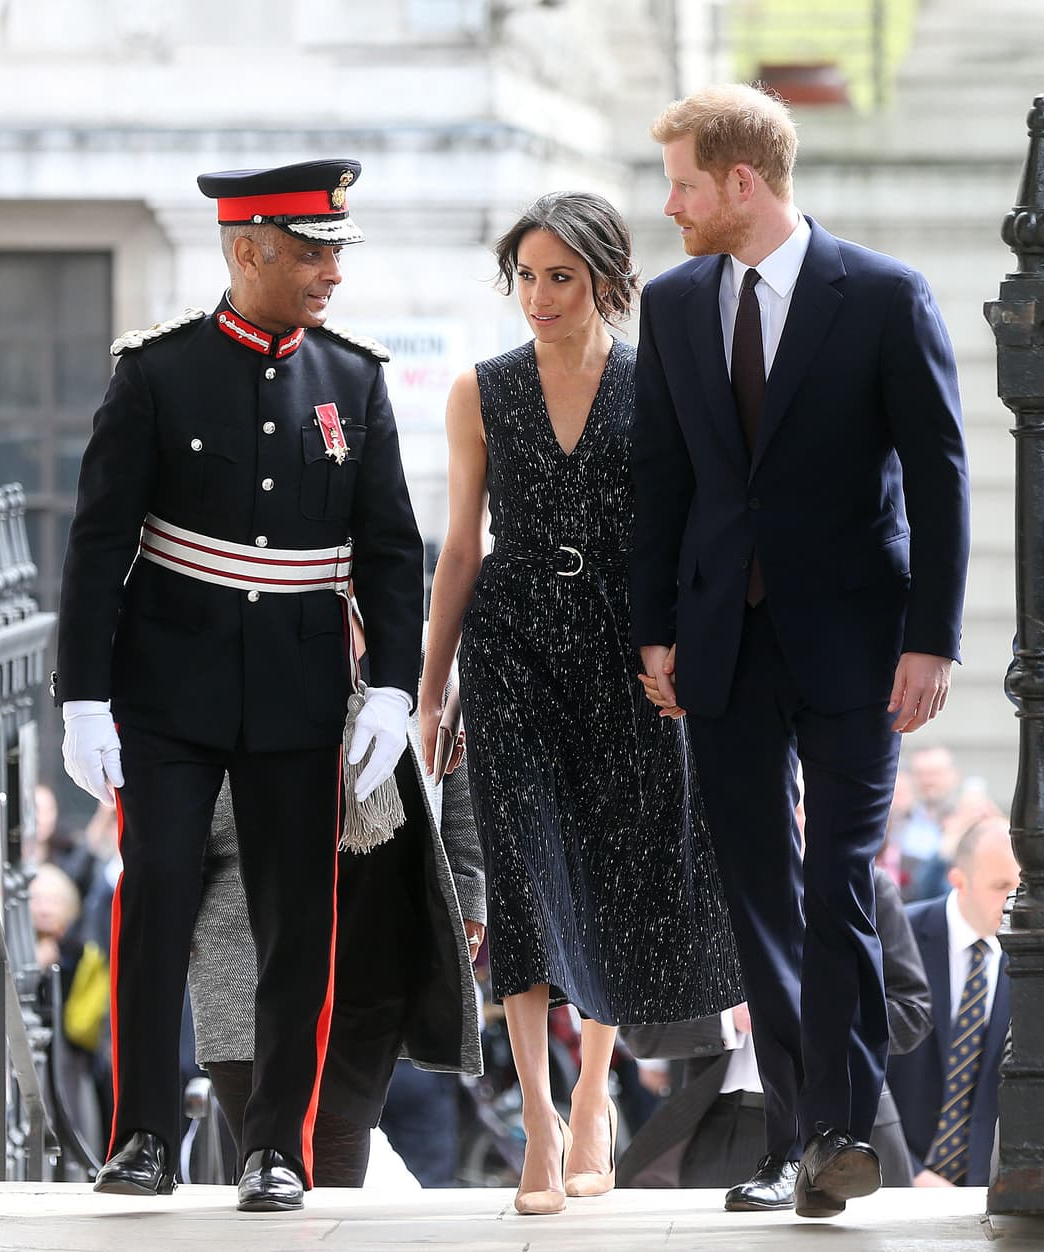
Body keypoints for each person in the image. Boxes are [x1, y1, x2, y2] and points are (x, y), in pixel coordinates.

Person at [53, 158, 424, 1211]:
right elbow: (97, 547)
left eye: (334, 253)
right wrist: (84, 696)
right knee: (156, 898)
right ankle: (139, 1139)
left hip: (301, 692)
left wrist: (391, 690)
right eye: (310, 253)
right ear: (245, 248)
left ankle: (276, 1148)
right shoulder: (157, 373)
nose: (329, 275)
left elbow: (390, 552)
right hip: (167, 687)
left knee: (298, 919)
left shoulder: (352, 379)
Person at [632, 84, 969, 1218]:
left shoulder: (879, 295)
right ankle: (789, 1139)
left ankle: (838, 1127)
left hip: (855, 646)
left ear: (741, 181)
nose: (668, 204)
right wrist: (655, 628)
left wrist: (931, 639)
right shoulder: (676, 306)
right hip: (721, 640)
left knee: (835, 884)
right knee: (754, 897)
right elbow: (662, 483)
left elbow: (938, 476)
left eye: (681, 181)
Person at [419, 191, 742, 1217]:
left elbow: (695, 535)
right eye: (524, 275)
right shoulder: (480, 390)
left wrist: (685, 653)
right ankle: (540, 1118)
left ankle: (595, 1098)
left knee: (610, 868)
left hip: (624, 647)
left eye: (559, 275)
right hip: (509, 645)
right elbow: (461, 548)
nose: (538, 296)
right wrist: (432, 686)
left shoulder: (661, 386)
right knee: (519, 868)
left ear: (603, 275)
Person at [188, 657, 485, 1189]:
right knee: (264, 1168)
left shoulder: (417, 663)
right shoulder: (241, 644)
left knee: (333, 1170)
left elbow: (456, 784)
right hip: (241, 938)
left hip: (367, 946)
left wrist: (467, 895)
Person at [618, 867, 931, 1190]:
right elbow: (642, 1033)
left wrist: (828, 1021)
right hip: (732, 1129)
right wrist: (730, 1018)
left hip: (854, 1127)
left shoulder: (867, 886)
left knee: (872, 1243)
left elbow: (912, 1013)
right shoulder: (694, 890)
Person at [886, 817, 1018, 1187]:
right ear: (958, 881)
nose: (1015, 900)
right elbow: (861, 1066)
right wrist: (909, 1173)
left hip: (986, 1191)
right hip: (892, 1180)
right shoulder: (899, 937)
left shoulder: (1038, 957)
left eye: (1023, 885)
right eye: (1001, 886)